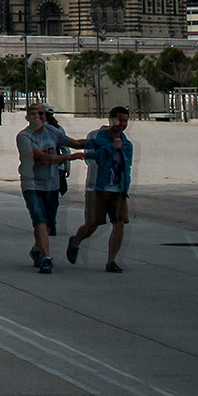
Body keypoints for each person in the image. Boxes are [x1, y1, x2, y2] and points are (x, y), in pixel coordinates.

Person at [66, 107, 134, 273]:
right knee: (92, 225)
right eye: (119, 120)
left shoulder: (127, 144)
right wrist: (111, 148)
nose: (122, 124)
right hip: (97, 187)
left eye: (125, 121)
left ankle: (111, 260)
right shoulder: (96, 136)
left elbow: (128, 166)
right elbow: (91, 158)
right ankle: (75, 240)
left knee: (120, 222)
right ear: (110, 119)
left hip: (118, 188)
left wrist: (125, 185)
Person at [17, 103, 82, 274]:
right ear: (28, 117)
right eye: (34, 114)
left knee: (48, 225)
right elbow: (41, 158)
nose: (38, 117)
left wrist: (99, 141)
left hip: (51, 184)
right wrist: (70, 157)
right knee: (39, 219)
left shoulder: (53, 131)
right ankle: (46, 258)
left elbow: (73, 142)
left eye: (41, 114)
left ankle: (37, 250)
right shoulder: (24, 136)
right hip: (32, 183)